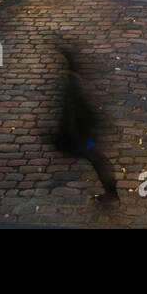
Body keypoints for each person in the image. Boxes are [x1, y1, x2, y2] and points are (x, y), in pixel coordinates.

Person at [53, 45, 119, 207]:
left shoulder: (72, 86)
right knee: (98, 160)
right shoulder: (76, 81)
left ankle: (112, 195)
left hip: (83, 135)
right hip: (85, 133)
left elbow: (74, 112)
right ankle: (111, 194)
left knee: (98, 160)